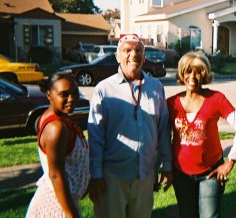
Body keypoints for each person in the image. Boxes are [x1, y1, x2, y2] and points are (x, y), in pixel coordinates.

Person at [88, 33, 172, 218]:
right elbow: (95, 136)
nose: (133, 55)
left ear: (144, 55)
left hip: (145, 175)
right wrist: (95, 175)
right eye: (127, 50)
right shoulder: (104, 89)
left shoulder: (156, 87)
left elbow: (163, 129)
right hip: (112, 177)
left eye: (138, 50)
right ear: (118, 57)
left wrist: (167, 164)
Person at [167, 51, 236, 218]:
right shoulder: (171, 103)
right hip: (181, 175)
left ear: (205, 75)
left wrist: (230, 161)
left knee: (209, 216)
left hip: (210, 173)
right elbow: (162, 138)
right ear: (182, 73)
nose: (193, 76)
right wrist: (165, 167)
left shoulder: (216, 99)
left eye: (199, 72)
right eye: (189, 71)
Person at [26, 73, 89, 218]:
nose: (71, 99)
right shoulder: (56, 128)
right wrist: (71, 214)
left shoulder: (60, 119)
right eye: (64, 94)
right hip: (56, 207)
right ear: (49, 95)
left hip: (64, 204)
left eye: (75, 92)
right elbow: (55, 175)